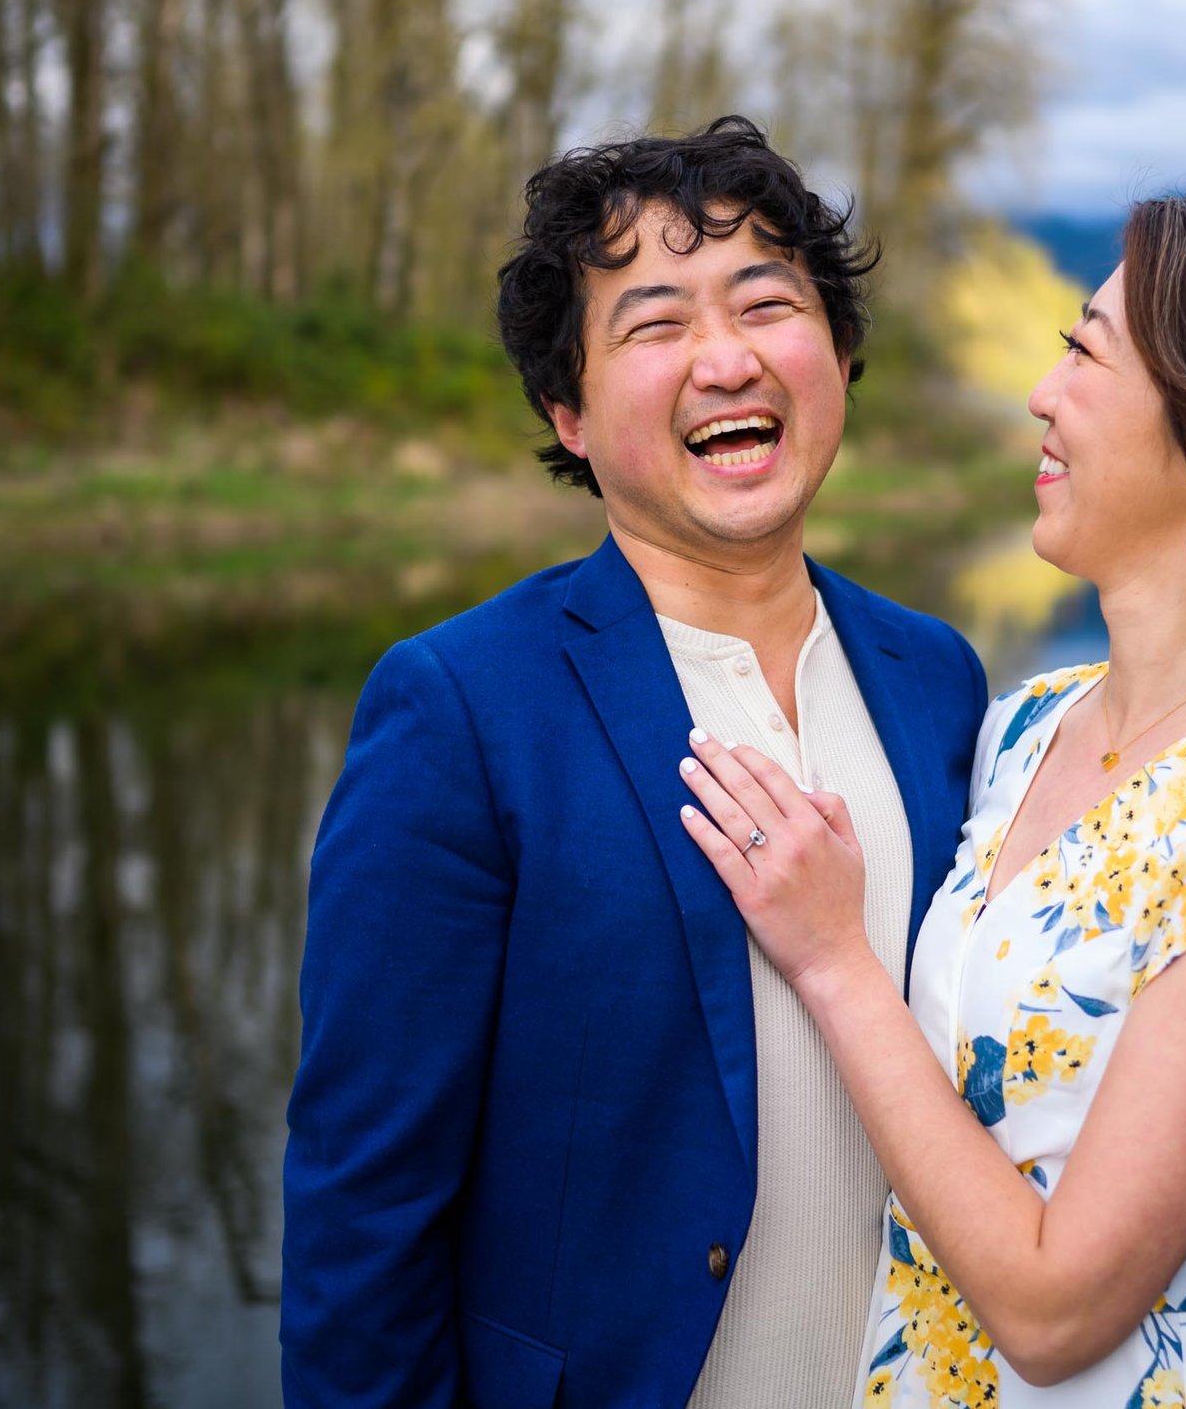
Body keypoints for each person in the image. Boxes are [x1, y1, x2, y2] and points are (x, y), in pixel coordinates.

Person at [675, 176, 1186, 1405]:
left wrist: (836, 961)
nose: (1041, 395)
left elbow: (1058, 1311)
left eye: (1085, 354)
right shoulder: (1029, 724)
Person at [280, 117, 989, 1409]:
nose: (727, 358)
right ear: (572, 411)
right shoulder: (460, 706)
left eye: (769, 303)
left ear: (838, 352)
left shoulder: (936, 675)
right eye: (654, 325)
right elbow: (362, 1208)